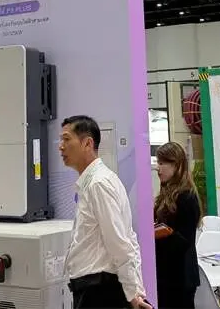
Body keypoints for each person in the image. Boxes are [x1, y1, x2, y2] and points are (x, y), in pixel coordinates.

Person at [59, 115, 150, 309]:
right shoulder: (96, 181)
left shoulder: (98, 184)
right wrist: (135, 289)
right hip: (94, 288)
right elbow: (128, 238)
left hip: (99, 291)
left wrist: (133, 293)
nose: (61, 146)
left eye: (66, 139)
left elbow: (119, 242)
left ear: (87, 143)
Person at [153, 142, 201, 309]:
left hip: (180, 276)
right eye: (157, 162)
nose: (158, 168)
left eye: (162, 163)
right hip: (168, 273)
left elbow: (184, 240)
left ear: (176, 165)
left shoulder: (187, 197)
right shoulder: (166, 194)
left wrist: (159, 234)